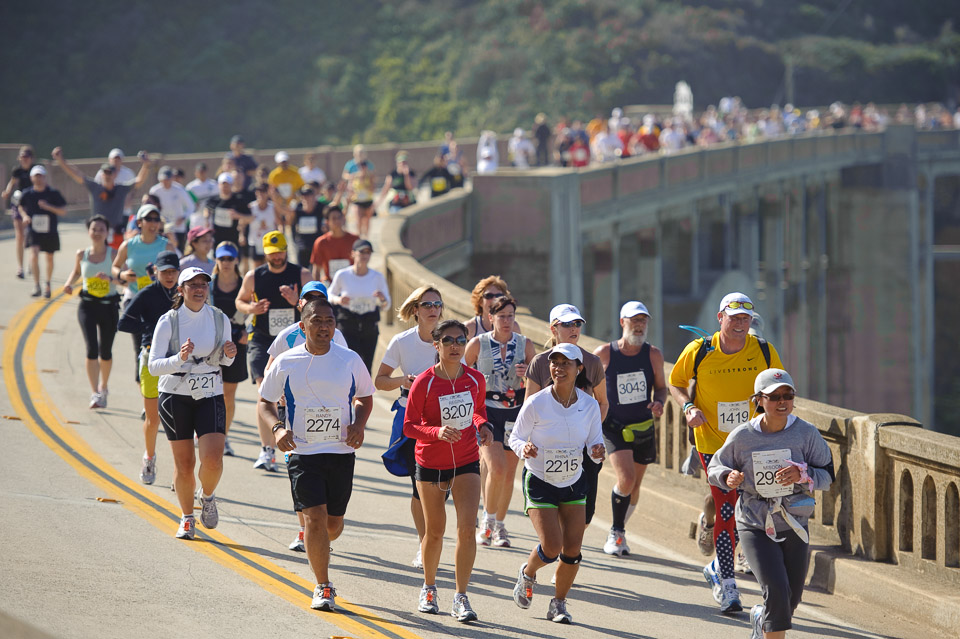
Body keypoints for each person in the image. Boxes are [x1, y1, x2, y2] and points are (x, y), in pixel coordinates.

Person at [668, 292, 783, 614]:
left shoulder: (762, 350)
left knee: (751, 508)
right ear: (720, 318)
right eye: (734, 318)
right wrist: (688, 406)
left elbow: (780, 388)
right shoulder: (699, 350)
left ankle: (716, 567)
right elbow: (676, 383)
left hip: (752, 442)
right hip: (712, 444)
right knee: (726, 507)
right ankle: (727, 582)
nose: (740, 325)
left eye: (745, 319)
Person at [258, 298, 374, 611]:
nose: (324, 327)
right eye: (317, 321)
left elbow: (365, 397)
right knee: (315, 519)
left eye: (329, 321)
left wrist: (359, 425)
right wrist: (278, 430)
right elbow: (265, 402)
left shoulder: (349, 359)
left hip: (340, 450)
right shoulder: (287, 361)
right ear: (303, 325)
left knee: (333, 525)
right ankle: (323, 585)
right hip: (302, 452)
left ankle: (322, 544)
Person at [707, 368, 834, 639]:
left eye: (787, 395)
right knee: (776, 590)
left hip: (794, 522)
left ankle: (760, 617)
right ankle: (768, 622)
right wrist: (727, 476)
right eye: (774, 396)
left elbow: (828, 475)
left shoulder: (806, 433)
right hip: (754, 521)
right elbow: (715, 468)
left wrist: (804, 474)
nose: (782, 402)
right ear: (758, 400)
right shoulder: (742, 436)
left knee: (791, 599)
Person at [403, 319, 493, 622]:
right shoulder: (425, 382)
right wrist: (436, 432)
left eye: (460, 340)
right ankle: (429, 588)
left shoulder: (476, 379)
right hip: (430, 462)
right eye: (448, 340)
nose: (455, 346)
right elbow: (410, 425)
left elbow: (478, 412)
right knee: (435, 532)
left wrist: (484, 428)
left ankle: (461, 596)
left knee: (468, 528)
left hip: (467, 459)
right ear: (436, 345)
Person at [508, 343, 605, 624]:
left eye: (566, 364)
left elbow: (594, 443)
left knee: (572, 549)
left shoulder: (588, 406)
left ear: (579, 369)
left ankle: (558, 604)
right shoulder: (537, 402)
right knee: (551, 546)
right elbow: (515, 436)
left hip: (574, 480)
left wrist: (598, 452)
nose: (559, 368)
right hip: (540, 480)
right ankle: (527, 572)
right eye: (555, 363)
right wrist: (523, 448)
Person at [148, 267, 236, 539]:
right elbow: (153, 367)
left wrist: (229, 355)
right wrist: (178, 358)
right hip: (175, 395)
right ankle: (187, 518)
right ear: (181, 289)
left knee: (213, 459)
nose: (199, 289)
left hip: (209, 392)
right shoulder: (169, 321)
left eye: (203, 284)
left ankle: (207, 495)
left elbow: (224, 360)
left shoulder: (219, 319)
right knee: (184, 464)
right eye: (192, 284)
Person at [375, 285, 445, 568]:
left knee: (440, 489)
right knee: (419, 487)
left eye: (437, 304)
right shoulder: (401, 342)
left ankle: (432, 538)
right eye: (427, 304)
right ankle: (424, 543)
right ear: (416, 310)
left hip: (444, 422)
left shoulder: (451, 341)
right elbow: (380, 380)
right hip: (410, 419)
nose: (433, 310)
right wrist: (403, 381)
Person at [525, 304, 609, 529]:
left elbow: (602, 403)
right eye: (567, 324)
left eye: (577, 324)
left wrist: (589, 435)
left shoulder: (591, 362)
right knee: (552, 512)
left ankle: (566, 553)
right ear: (553, 329)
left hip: (581, 450)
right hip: (548, 449)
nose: (574, 328)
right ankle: (556, 553)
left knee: (584, 515)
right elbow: (528, 407)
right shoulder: (540, 363)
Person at [593, 301, 667, 556]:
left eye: (643, 321)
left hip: (642, 426)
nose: (639, 325)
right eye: (634, 320)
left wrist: (659, 402)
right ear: (622, 322)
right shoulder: (605, 353)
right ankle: (616, 531)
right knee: (626, 479)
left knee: (635, 486)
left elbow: (661, 387)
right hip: (613, 426)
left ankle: (619, 528)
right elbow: (586, 384)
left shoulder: (653, 354)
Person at [235, 231, 311, 472]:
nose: (276, 257)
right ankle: (266, 450)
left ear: (286, 250)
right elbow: (240, 301)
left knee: (290, 397)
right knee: (265, 392)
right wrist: (252, 308)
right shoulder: (254, 276)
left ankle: (292, 445)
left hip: (294, 342)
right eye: (271, 254)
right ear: (265, 253)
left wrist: (297, 300)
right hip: (262, 340)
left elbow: (318, 306)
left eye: (280, 252)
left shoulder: (302, 274)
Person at [464, 295, 535, 549]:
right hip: (486, 412)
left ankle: (500, 525)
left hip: (515, 412)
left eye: (510, 316)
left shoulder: (525, 345)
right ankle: (487, 520)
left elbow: (535, 386)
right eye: (501, 316)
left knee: (509, 474)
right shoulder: (477, 344)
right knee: (497, 467)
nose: (507, 321)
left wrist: (527, 374)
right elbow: (460, 375)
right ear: (490, 317)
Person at [117, 251, 181, 485]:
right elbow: (124, 322)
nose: (169, 276)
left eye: (173, 271)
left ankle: (180, 471)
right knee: (153, 419)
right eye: (165, 272)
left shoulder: (184, 293)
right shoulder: (147, 294)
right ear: (156, 272)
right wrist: (152, 329)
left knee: (178, 420)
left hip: (178, 361)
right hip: (151, 358)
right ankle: (149, 457)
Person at [62, 215, 121, 409]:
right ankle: (95, 391)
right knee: (91, 350)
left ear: (107, 233)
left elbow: (125, 279)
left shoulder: (114, 255)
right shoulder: (82, 254)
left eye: (101, 230)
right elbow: (77, 271)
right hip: (87, 305)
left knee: (105, 352)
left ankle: (104, 386)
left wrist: (110, 279)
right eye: (94, 229)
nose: (97, 233)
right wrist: (69, 283)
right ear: (88, 231)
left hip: (109, 306)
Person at [113, 204, 178, 379]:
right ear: (139, 222)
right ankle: (144, 388)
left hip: (161, 298)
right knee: (142, 345)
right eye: (149, 219)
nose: (153, 223)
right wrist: (122, 274)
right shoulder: (129, 245)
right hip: (135, 297)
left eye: (156, 219)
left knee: (166, 345)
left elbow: (176, 270)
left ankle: (164, 385)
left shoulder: (166, 245)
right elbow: (115, 266)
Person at [52, 147, 151, 251]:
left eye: (110, 173)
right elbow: (76, 174)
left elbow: (139, 181)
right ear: (102, 174)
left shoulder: (121, 189)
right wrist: (61, 160)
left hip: (116, 230)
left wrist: (146, 165)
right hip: (98, 230)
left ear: (115, 175)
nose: (107, 175)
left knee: (117, 257)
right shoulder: (95, 187)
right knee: (99, 257)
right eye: (105, 173)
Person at [327, 239, 390, 372]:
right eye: (362, 251)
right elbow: (329, 295)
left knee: (366, 367)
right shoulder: (343, 275)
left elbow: (387, 305)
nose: (365, 255)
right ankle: (349, 391)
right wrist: (339, 300)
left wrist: (382, 299)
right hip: (348, 324)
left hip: (369, 324)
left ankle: (364, 392)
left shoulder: (377, 277)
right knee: (348, 364)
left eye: (368, 252)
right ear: (353, 253)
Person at [210, 242, 248, 457]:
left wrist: (248, 333)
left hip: (236, 345)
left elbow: (255, 312)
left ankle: (223, 437)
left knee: (228, 395)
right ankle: (206, 432)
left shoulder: (244, 285)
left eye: (230, 259)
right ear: (216, 260)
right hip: (211, 345)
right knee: (207, 392)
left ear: (236, 261)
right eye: (222, 258)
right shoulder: (209, 285)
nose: (226, 263)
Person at [19, 165, 67, 298]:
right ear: (31, 178)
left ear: (45, 177)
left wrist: (48, 207)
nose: (39, 179)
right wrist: (25, 216)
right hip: (34, 230)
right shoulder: (27, 193)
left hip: (50, 230)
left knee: (49, 258)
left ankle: (47, 283)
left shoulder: (53, 193)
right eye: (36, 176)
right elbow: (20, 206)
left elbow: (63, 211)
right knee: (33, 255)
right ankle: (36, 285)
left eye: (41, 176)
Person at [2, 145, 37, 279]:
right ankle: (20, 266)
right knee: (19, 236)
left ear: (31, 158)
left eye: (26, 157)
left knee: (30, 235)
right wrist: (7, 191)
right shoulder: (17, 171)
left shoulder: (36, 170)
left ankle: (30, 261)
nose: (24, 160)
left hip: (32, 204)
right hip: (18, 202)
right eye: (22, 157)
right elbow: (12, 182)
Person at [150, 166, 194, 251]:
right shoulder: (155, 191)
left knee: (178, 251)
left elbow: (191, 206)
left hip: (178, 227)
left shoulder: (179, 189)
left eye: (167, 179)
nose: (165, 182)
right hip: (161, 228)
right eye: (163, 180)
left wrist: (184, 218)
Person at [309, 205, 357, 284]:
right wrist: (317, 290)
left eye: (339, 217)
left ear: (343, 218)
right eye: (334, 218)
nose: (337, 220)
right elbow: (316, 270)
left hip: (352, 284)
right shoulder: (321, 242)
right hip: (330, 285)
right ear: (327, 222)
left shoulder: (354, 239)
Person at [464, 276, 521, 340]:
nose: (494, 299)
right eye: (489, 296)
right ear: (480, 301)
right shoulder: (469, 328)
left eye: (499, 296)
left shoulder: (513, 327)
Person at [206, 172, 251, 249]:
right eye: (223, 184)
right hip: (217, 239)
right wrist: (206, 217)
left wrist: (238, 215)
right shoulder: (213, 200)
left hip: (233, 239)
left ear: (231, 185)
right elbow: (207, 209)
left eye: (227, 185)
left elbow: (250, 218)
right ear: (219, 185)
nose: (225, 187)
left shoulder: (239, 200)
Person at [286, 185, 326, 268]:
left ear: (314, 196)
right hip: (302, 246)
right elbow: (289, 222)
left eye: (308, 196)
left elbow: (332, 208)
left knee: (316, 271)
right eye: (303, 196)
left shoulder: (320, 208)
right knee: (302, 272)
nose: (306, 198)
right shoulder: (297, 208)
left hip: (316, 245)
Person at [342, 145, 376, 239]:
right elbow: (345, 175)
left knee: (367, 219)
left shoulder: (369, 165)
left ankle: (367, 237)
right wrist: (354, 176)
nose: (360, 155)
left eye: (362, 153)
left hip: (367, 194)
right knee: (358, 218)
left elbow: (373, 178)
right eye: (358, 153)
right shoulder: (350, 164)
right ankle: (359, 236)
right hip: (355, 194)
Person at [244, 184, 280, 271]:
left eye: (263, 192)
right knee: (256, 268)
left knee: (269, 267)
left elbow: (279, 223)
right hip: (255, 241)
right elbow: (243, 223)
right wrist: (242, 235)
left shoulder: (273, 207)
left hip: (270, 243)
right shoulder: (251, 207)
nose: (261, 194)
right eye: (259, 192)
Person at [186, 162, 218, 231]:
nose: (201, 173)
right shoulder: (191, 187)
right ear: (195, 172)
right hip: (197, 216)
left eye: (203, 171)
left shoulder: (213, 184)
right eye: (199, 171)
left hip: (210, 216)